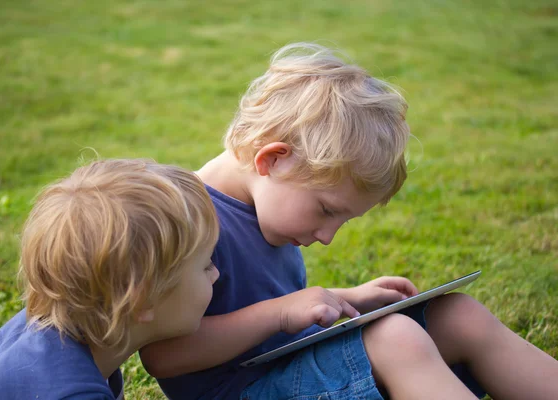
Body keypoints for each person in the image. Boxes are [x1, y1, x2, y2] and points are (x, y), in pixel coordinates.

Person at [140, 43, 558, 400]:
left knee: (457, 315)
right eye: (326, 210)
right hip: (243, 390)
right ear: (272, 159)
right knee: (397, 339)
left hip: (289, 367)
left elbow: (262, 302)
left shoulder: (269, 204)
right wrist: (280, 314)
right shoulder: (184, 219)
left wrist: (347, 299)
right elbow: (163, 355)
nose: (326, 236)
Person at [0, 159, 221, 399]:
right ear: (141, 301)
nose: (216, 274)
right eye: (206, 265)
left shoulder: (51, 328)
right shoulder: (70, 393)